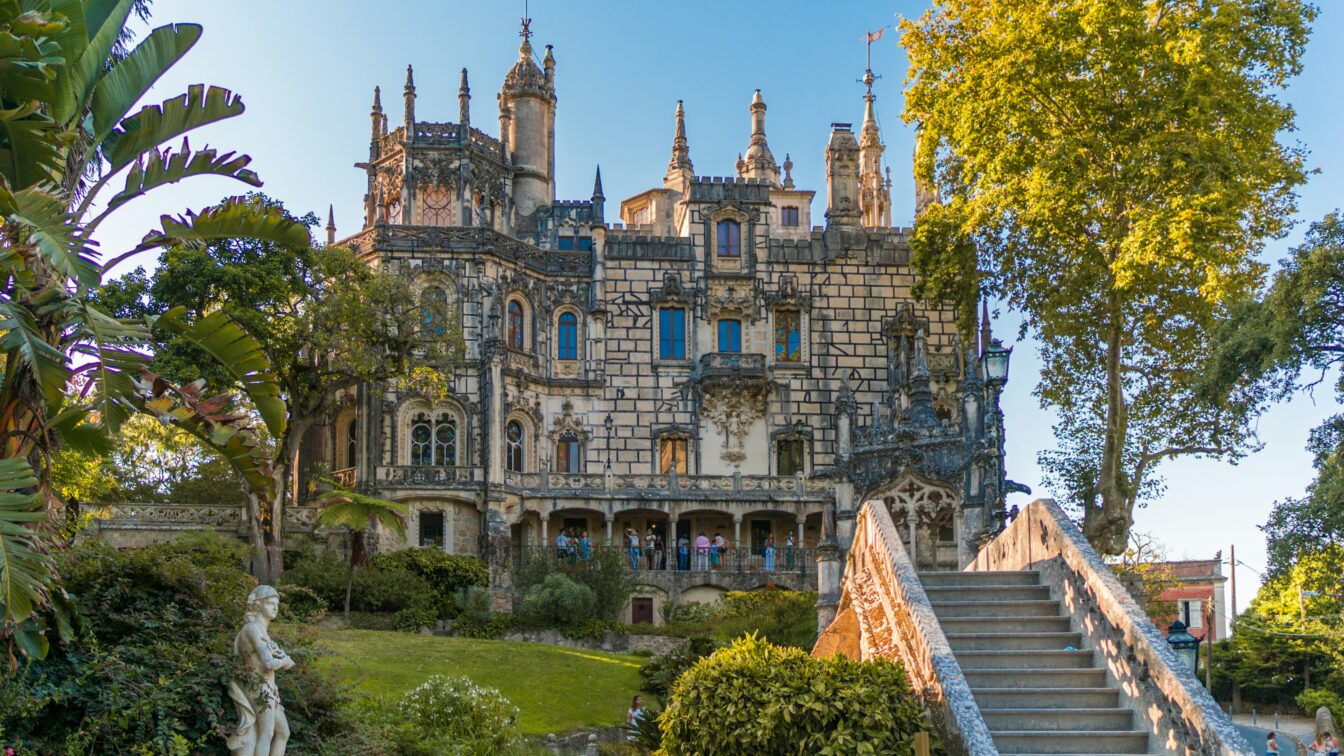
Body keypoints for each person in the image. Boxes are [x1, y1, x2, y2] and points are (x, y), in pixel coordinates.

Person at [227, 585, 295, 756]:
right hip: (258, 686)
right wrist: (285, 661)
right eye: (270, 603)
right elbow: (268, 663)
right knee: (267, 733)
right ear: (258, 605)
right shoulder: (253, 629)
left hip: (268, 687)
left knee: (283, 732)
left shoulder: (260, 629)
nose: (275, 608)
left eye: (277, 604)